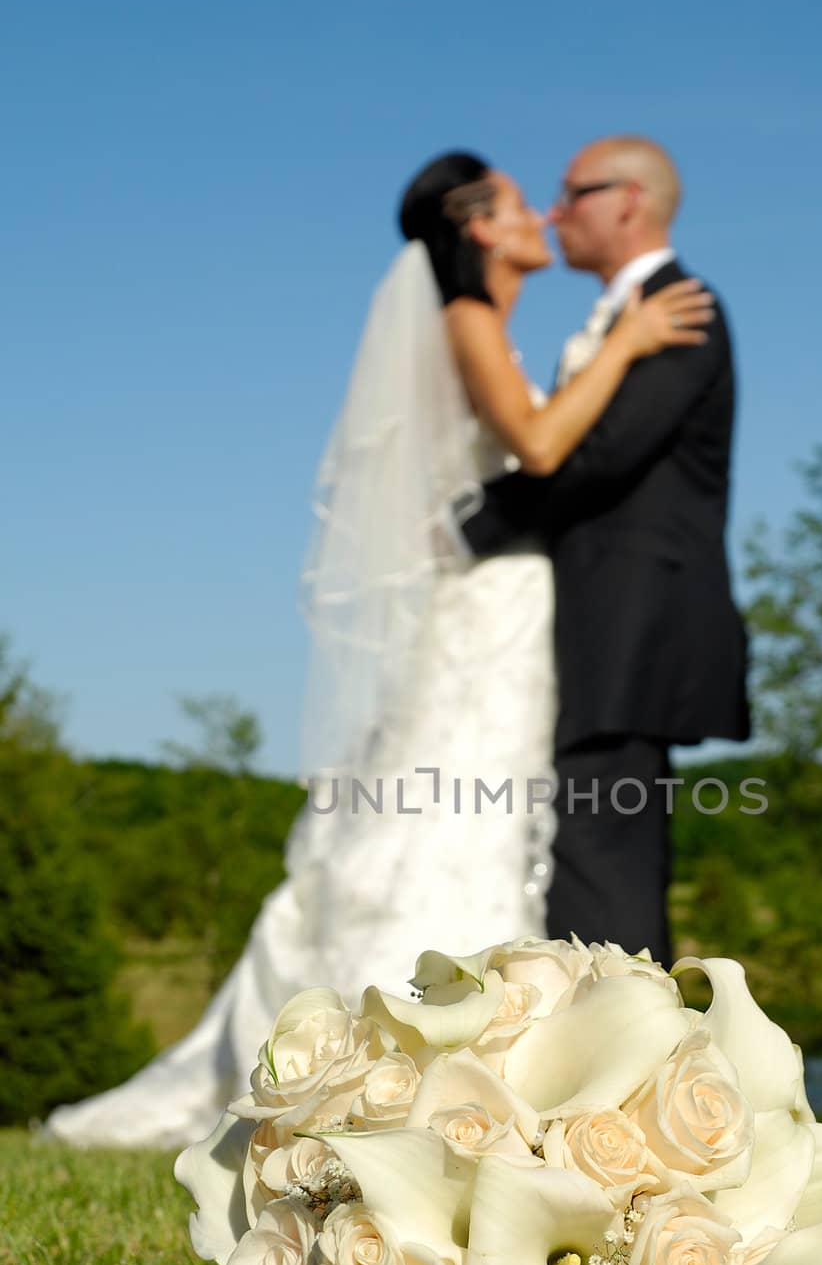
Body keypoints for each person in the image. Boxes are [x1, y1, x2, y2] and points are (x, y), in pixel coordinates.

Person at [42, 149, 713, 1149]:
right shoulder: (468, 321)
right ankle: (397, 1055)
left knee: (474, 815)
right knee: (447, 810)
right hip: (486, 613)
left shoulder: (481, 324)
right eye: (521, 201)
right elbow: (535, 447)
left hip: (507, 613)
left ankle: (485, 1068)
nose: (539, 213)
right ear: (476, 225)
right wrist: (625, 345)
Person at [462, 136, 751, 968]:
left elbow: (599, 458)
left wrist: (462, 527)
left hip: (633, 637)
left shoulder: (683, 309)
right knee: (581, 856)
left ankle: (633, 1085)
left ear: (628, 199)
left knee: (606, 867)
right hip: (591, 628)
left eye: (571, 193)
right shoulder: (625, 318)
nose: (555, 214)